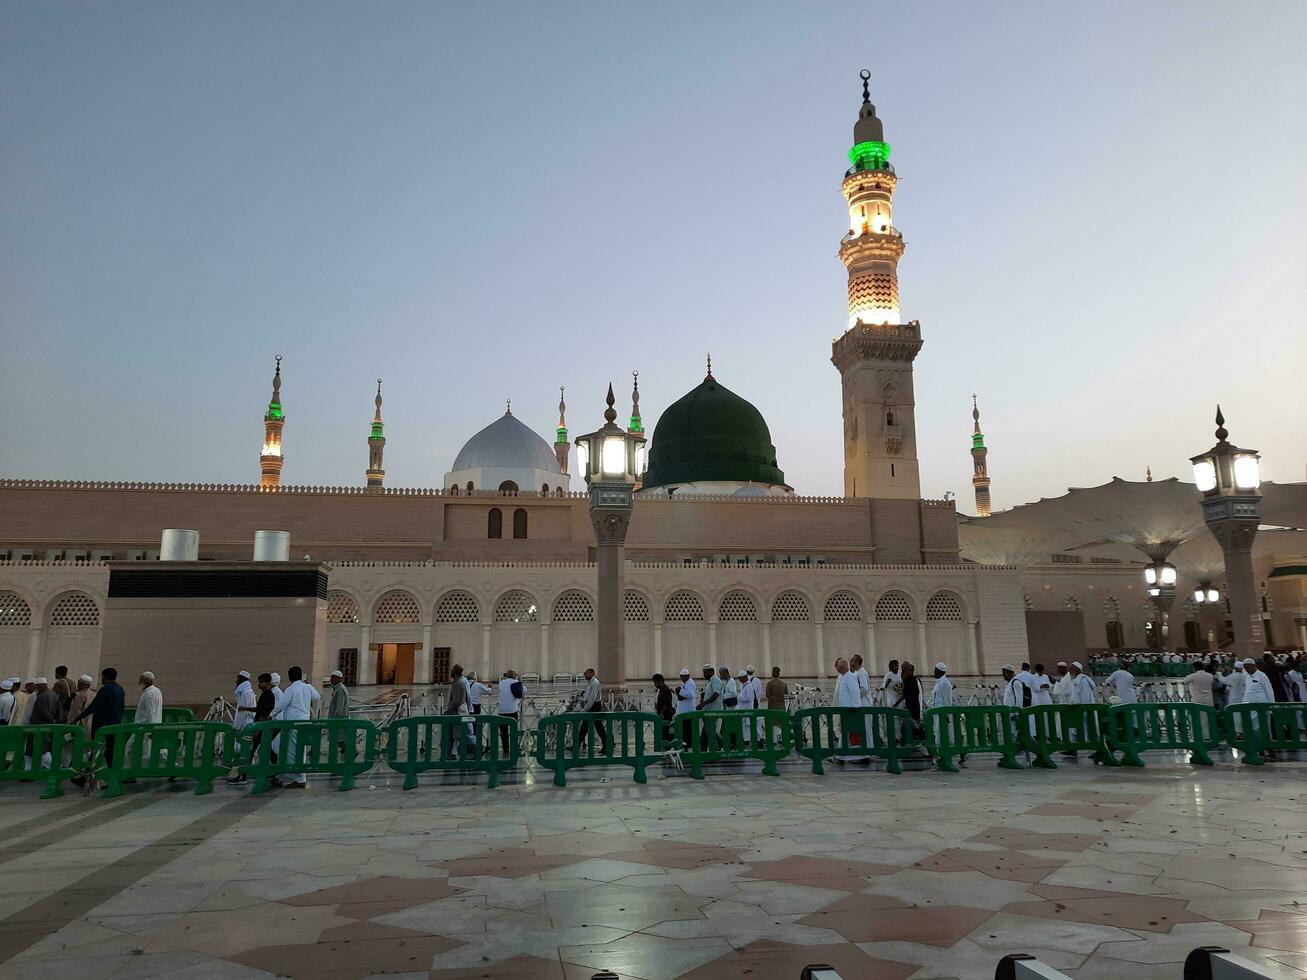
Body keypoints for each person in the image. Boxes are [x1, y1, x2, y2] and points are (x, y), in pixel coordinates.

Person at [73, 667, 125, 783]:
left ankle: (89, 777)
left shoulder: (105, 690)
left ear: (105, 677)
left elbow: (94, 707)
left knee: (98, 750)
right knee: (108, 752)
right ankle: (108, 777)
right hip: (115, 725)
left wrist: (78, 717)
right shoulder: (120, 689)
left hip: (102, 726)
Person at [271, 665, 321, 788]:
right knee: (297, 749)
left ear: (289, 677)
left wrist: (272, 714)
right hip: (305, 723)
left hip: (293, 725)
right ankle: (284, 776)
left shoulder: (291, 689)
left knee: (293, 751)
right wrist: (308, 686)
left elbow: (282, 705)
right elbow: (317, 697)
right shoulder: (307, 687)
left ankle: (299, 779)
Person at [229, 672, 277, 784]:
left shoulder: (268, 695)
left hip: (261, 727)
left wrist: (257, 729)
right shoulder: (265, 694)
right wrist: (245, 708)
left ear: (267, 683)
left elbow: (263, 713)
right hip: (261, 727)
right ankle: (274, 772)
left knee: (251, 751)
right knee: (264, 751)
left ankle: (244, 776)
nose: (259, 684)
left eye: (261, 682)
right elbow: (259, 709)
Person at [833, 658, 862, 763]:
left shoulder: (849, 677)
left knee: (852, 735)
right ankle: (840, 757)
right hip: (846, 712)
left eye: (836, 666)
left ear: (839, 667)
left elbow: (854, 693)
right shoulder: (845, 677)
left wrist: (854, 709)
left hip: (851, 711)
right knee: (845, 734)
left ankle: (857, 757)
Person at [578, 668, 609, 755]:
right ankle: (577, 744)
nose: (585, 674)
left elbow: (592, 697)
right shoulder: (590, 682)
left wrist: (586, 708)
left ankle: (606, 745)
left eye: (586, 672)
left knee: (598, 727)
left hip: (594, 706)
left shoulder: (595, 682)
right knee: (585, 726)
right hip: (591, 706)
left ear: (592, 673)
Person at [444, 664, 471, 759]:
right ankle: (452, 752)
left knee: (459, 734)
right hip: (462, 711)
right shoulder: (463, 681)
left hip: (456, 713)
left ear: (455, 672)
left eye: (452, 670)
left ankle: (477, 746)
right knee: (459, 734)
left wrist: (447, 711)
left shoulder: (457, 684)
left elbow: (455, 701)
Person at [497, 669, 525, 756]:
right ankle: (514, 747)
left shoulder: (501, 683)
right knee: (514, 729)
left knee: (503, 731)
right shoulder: (516, 682)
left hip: (502, 710)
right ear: (514, 675)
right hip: (512, 709)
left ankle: (505, 748)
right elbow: (524, 690)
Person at [674, 668, 696, 747]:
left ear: (686, 676)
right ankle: (685, 747)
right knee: (684, 732)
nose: (681, 679)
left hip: (687, 712)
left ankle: (689, 747)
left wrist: (680, 691)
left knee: (687, 732)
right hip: (683, 712)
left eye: (682, 677)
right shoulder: (685, 683)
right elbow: (682, 697)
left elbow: (690, 695)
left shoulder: (690, 683)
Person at [735, 667, 756, 745]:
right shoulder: (744, 686)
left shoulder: (749, 686)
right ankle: (744, 740)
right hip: (742, 710)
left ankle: (746, 741)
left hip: (747, 709)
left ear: (744, 677)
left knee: (746, 727)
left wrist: (739, 697)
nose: (739, 680)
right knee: (743, 726)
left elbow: (749, 698)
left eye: (740, 678)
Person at [652, 673, 674, 742]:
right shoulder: (661, 690)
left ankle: (666, 749)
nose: (655, 685)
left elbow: (667, 704)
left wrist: (662, 713)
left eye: (655, 683)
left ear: (660, 681)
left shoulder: (666, 690)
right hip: (662, 716)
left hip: (666, 716)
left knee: (665, 735)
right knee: (662, 734)